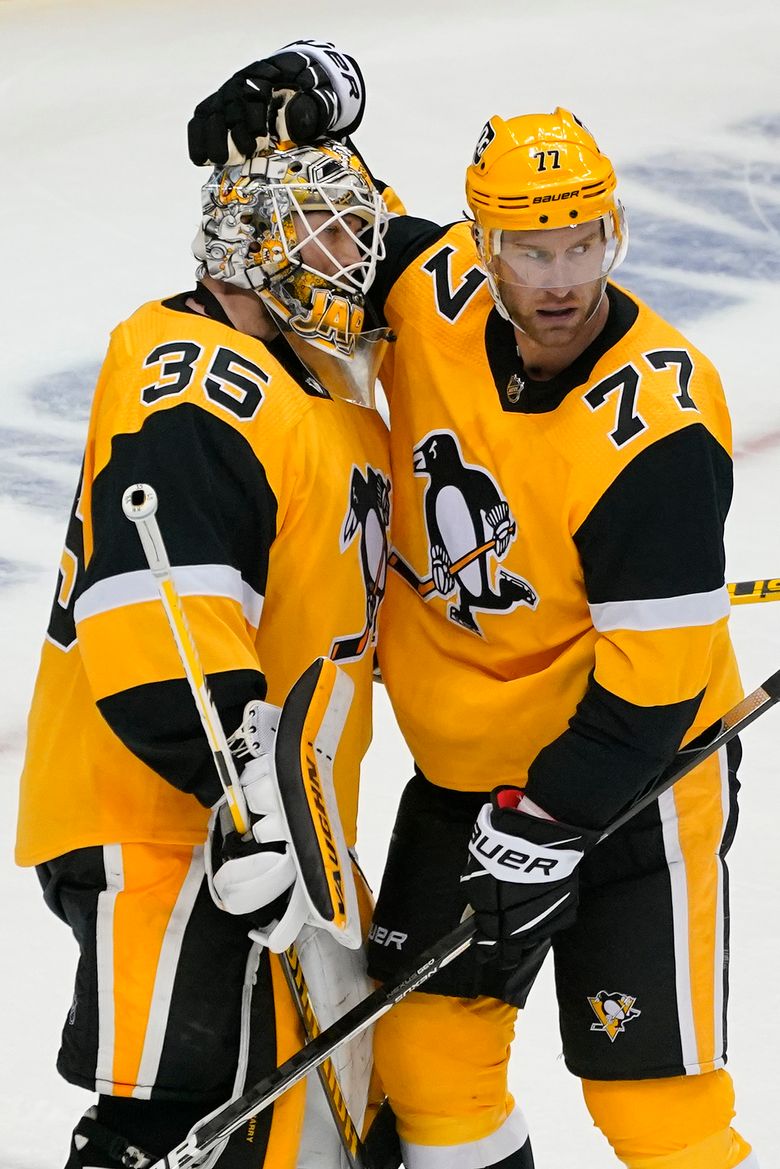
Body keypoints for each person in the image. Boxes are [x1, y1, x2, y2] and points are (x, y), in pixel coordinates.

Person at [187, 41, 759, 1169]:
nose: (560, 279)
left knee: (652, 1100)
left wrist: (544, 830)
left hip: (640, 787)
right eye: (529, 249)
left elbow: (655, 686)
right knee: (427, 1059)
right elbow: (324, 227)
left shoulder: (657, 431)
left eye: (582, 242)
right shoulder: (432, 289)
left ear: (615, 233)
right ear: (480, 246)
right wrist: (292, 116)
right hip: (464, 783)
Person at [16, 121, 394, 1168]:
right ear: (251, 247)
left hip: (260, 819)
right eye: (324, 234)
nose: (353, 257)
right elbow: (155, 606)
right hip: (175, 821)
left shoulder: (328, 393)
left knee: (285, 1130)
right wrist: (245, 804)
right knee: (170, 1122)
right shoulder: (201, 378)